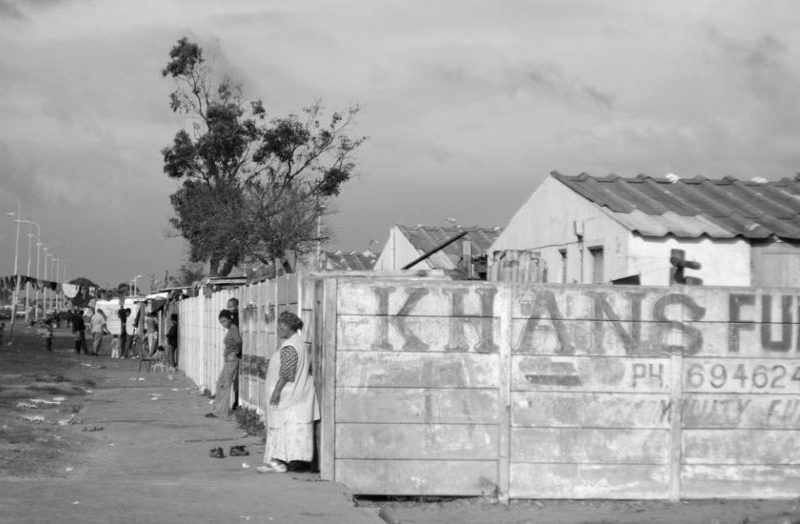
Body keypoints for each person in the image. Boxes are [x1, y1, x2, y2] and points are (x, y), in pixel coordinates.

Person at [257, 311, 318, 474]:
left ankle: (278, 461)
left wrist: (276, 391)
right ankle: (280, 461)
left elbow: (287, 372)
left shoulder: (291, 346)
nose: (278, 329)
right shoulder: (297, 343)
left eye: (281, 325)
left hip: (288, 396)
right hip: (295, 396)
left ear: (288, 327)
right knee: (288, 429)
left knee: (281, 428)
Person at [206, 309, 241, 419]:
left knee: (224, 385)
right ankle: (218, 410)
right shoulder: (230, 328)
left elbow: (239, 341)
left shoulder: (233, 328)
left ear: (230, 319)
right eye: (221, 322)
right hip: (228, 361)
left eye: (224, 321)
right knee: (220, 384)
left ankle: (221, 412)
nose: (223, 324)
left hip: (231, 361)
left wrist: (236, 352)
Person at [227, 297, 240, 408]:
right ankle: (235, 402)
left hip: (236, 353)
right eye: (228, 306)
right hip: (234, 352)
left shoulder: (237, 320)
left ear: (237, 306)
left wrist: (236, 351)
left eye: (231, 306)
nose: (229, 308)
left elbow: (238, 339)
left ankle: (236, 402)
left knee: (236, 379)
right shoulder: (233, 319)